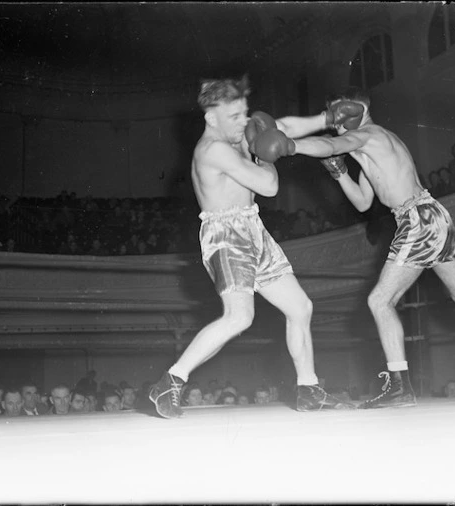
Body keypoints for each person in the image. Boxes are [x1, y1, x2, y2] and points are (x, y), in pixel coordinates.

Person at [279, 87, 455, 408]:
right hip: (431, 215)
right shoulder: (368, 146)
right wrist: (340, 174)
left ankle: (400, 386)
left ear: (353, 111)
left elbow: (330, 144)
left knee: (379, 301)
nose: (333, 122)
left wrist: (290, 146)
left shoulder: (370, 135)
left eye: (336, 115)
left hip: (417, 218)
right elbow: (363, 201)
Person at [148, 75, 353, 419]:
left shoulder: (235, 132)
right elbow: (269, 185)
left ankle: (308, 389)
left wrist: (326, 120)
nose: (242, 122)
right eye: (234, 117)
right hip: (225, 236)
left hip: (252, 227)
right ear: (211, 118)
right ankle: (170, 380)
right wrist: (266, 154)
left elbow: (280, 126)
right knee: (239, 316)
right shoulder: (213, 149)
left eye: (244, 114)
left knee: (300, 307)